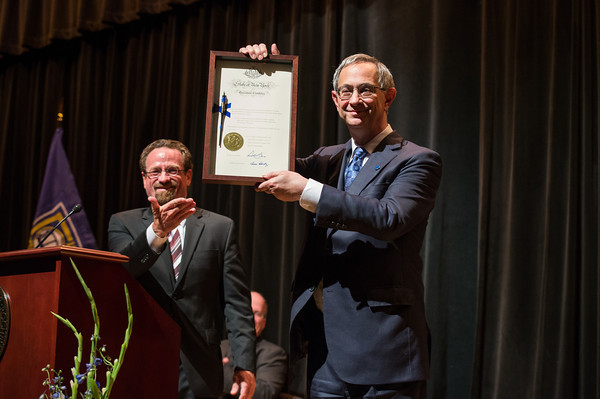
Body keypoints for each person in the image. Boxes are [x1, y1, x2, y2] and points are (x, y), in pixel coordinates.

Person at [240, 44, 442, 399]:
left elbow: (390, 217)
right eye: (345, 91)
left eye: (366, 89)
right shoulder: (326, 158)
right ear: (335, 99)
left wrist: (309, 190)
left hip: (385, 348)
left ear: (389, 96)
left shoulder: (417, 160)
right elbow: (259, 161)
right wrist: (260, 76)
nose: (354, 99)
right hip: (326, 349)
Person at [107, 139, 256, 399]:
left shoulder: (220, 228)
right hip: (139, 362)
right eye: (155, 171)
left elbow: (237, 305)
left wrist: (244, 364)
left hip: (199, 367)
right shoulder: (123, 223)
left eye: (172, 170)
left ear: (188, 175)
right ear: (144, 179)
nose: (163, 178)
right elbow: (124, 272)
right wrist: (156, 233)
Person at [221, 291, 288, 399]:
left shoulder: (274, 354)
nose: (250, 318)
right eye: (246, 311)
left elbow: (263, 393)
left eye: (257, 313)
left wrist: (219, 372)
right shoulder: (220, 346)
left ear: (264, 322)